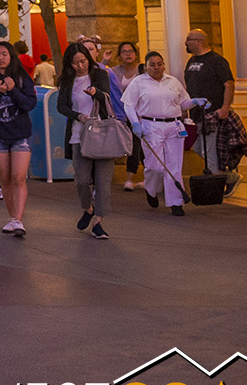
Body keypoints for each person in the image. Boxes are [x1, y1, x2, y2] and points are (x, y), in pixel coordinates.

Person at [56, 43, 115, 241]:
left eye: (83, 61)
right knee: (81, 180)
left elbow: (107, 98)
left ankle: (98, 222)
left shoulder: (100, 75)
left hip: (103, 133)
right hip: (79, 134)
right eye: (75, 63)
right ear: (69, 64)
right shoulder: (67, 80)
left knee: (103, 181)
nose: (80, 66)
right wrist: (77, 116)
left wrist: (95, 93)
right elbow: (61, 106)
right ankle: (88, 208)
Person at [121, 51, 192, 215]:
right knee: (155, 166)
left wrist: (194, 102)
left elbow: (183, 103)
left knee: (174, 165)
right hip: (150, 126)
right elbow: (129, 105)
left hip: (173, 125)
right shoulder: (138, 83)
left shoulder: (172, 81)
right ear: (145, 66)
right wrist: (136, 124)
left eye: (159, 64)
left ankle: (176, 203)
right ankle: (151, 189)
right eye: (152, 64)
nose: (156, 67)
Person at [0, 40, 36, 237]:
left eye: (4, 54)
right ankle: (12, 216)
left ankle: (18, 220)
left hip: (20, 134)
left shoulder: (22, 77)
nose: (0, 58)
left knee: (18, 177)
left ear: (11, 56)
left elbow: (29, 104)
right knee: (5, 178)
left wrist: (13, 90)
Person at [182, 28, 242, 190]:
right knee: (199, 148)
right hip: (197, 114)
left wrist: (225, 107)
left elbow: (228, 84)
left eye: (189, 39)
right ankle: (229, 177)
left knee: (210, 152)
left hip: (213, 113)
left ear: (199, 41)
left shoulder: (217, 61)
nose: (186, 43)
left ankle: (217, 187)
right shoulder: (191, 61)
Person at [108, 41, 144, 191]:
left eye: (131, 51)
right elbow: (101, 73)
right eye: (124, 52)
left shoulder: (142, 70)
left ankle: (133, 177)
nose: (128, 54)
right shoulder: (115, 71)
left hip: (140, 114)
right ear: (120, 55)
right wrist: (105, 60)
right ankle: (132, 177)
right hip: (122, 113)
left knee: (138, 144)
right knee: (131, 145)